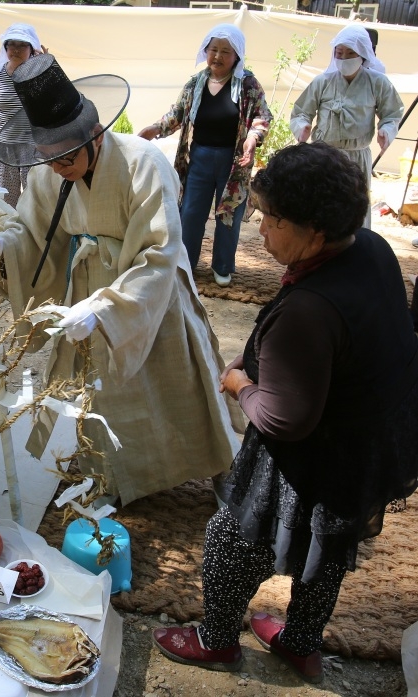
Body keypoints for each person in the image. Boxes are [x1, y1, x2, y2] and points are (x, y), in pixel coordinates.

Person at [152, 142, 418, 683]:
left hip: (311, 455)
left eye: (271, 219)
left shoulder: (309, 311)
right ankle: (300, 642)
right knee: (327, 550)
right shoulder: (369, 247)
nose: (261, 229)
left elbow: (284, 418)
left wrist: (241, 383)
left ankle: (216, 640)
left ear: (315, 231)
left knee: (232, 541)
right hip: (364, 444)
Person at [0, 54, 243, 508]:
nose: (58, 167)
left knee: (177, 384)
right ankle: (109, 471)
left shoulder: (143, 161)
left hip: (147, 292)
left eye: (67, 155)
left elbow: (160, 249)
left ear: (94, 133)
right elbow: (32, 233)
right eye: (48, 159)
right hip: (86, 292)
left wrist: (110, 308)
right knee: (99, 392)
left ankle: (224, 466)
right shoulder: (49, 176)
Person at [139, 24, 271, 288]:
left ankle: (222, 267)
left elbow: (262, 117)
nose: (218, 57)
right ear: (205, 52)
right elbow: (177, 113)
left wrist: (252, 139)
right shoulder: (196, 82)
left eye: (225, 51)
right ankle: (187, 263)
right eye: (213, 50)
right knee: (190, 213)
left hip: (232, 163)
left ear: (237, 55)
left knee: (228, 215)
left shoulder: (247, 84)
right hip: (198, 158)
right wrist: (155, 129)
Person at [290, 24, 403, 229]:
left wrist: (386, 131)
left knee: (354, 207)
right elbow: (301, 112)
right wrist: (303, 127)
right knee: (323, 204)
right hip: (325, 156)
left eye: (351, 53)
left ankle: (355, 252)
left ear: (363, 55)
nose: (344, 59)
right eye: (339, 53)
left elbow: (392, 113)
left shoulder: (377, 83)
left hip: (356, 158)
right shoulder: (322, 82)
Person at [0, 23, 44, 208]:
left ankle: (32, 234)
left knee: (35, 197)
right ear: (5, 48)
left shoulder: (41, 73)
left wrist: (46, 67)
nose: (16, 49)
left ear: (31, 48)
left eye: (22, 44)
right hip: (3, 145)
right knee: (6, 198)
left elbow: (55, 100)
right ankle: (10, 233)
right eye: (11, 44)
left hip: (34, 145)